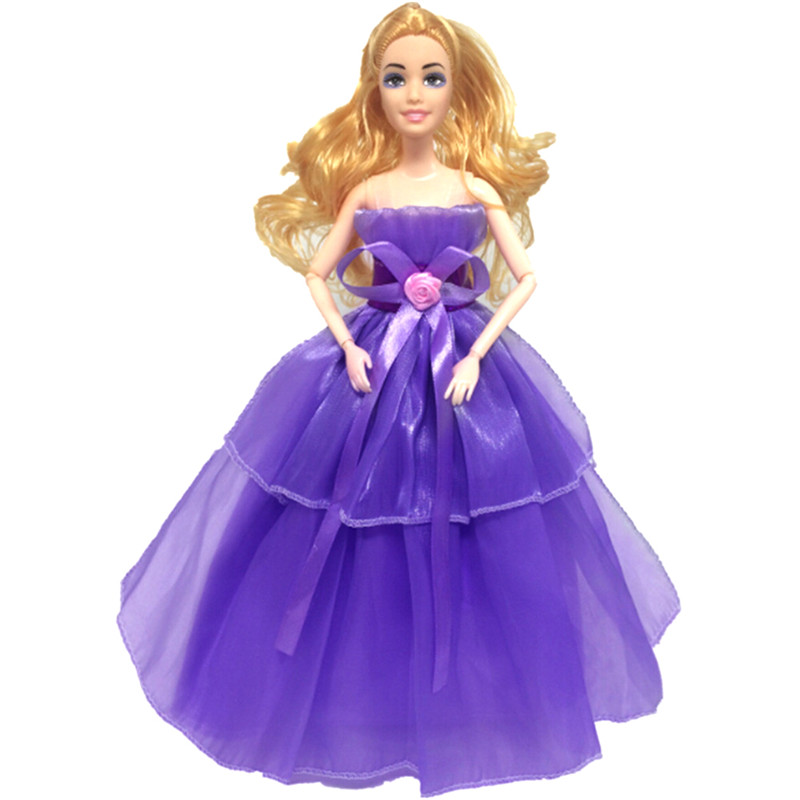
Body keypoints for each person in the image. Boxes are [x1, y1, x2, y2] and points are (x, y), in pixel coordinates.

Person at [118, 4, 679, 796]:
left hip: (459, 367)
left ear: (456, 89)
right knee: (346, 510)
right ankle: (360, 695)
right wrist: (348, 345)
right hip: (371, 364)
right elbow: (318, 273)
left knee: (480, 514)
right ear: (374, 88)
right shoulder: (367, 189)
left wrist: (476, 351)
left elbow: (527, 278)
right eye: (397, 77)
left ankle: (471, 705)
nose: (414, 93)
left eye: (431, 77)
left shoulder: (474, 187)